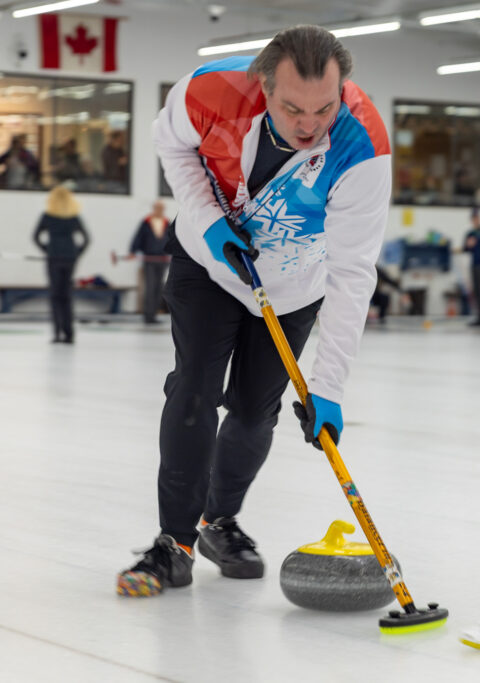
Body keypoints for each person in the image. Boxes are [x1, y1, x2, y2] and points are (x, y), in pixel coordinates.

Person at [116, 25, 391, 598]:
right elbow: (173, 147)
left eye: (325, 107)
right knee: (193, 388)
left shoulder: (362, 144)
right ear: (262, 86)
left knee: (252, 413)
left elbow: (353, 272)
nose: (310, 125)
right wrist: (212, 226)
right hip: (209, 262)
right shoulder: (209, 90)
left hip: (294, 285)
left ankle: (219, 522)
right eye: (293, 108)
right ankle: (174, 543)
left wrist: (330, 387)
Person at [33, 185, 90, 343]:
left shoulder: (47, 216)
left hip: (54, 257)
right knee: (67, 295)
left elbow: (36, 236)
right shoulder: (74, 217)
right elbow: (86, 239)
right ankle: (69, 334)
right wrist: (76, 253)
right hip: (70, 258)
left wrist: (47, 249)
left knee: (55, 295)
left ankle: (57, 333)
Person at [127, 200, 172, 323]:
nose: (159, 210)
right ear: (154, 208)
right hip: (149, 259)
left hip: (162, 260)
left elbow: (172, 239)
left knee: (159, 288)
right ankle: (148, 315)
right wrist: (133, 251)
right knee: (150, 287)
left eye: (161, 208)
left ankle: (154, 314)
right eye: (157, 208)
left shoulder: (167, 223)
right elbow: (138, 237)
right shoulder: (146, 222)